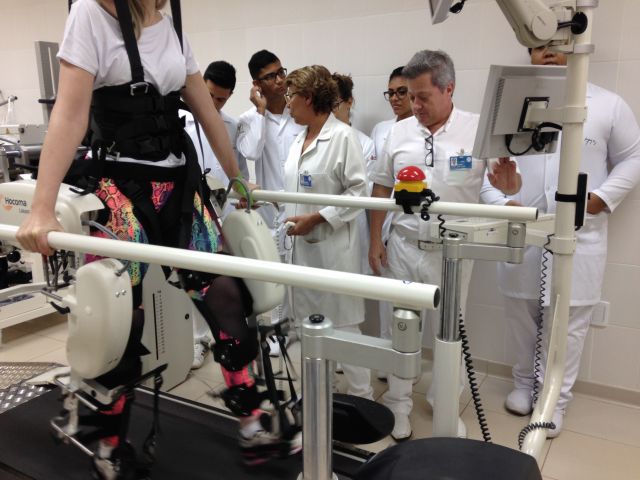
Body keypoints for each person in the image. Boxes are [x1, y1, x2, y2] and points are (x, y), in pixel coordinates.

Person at [15, 0, 294, 469]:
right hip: (120, 191)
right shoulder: (90, 14)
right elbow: (69, 114)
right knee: (121, 320)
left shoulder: (172, 27)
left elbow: (206, 112)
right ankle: (109, 446)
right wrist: (41, 208)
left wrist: (237, 177)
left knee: (227, 297)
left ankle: (252, 425)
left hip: (180, 188)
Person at [480, 45, 640, 437]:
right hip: (523, 228)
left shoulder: (608, 104)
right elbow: (490, 168)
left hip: (580, 232)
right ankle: (523, 384)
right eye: (539, 45)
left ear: (575, 46)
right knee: (520, 312)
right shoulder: (512, 105)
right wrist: (505, 202)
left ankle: (556, 399)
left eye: (557, 43)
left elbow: (634, 157)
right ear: (529, 50)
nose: (548, 52)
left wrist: (602, 199)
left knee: (568, 322)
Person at [369, 49, 521, 441]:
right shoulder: (398, 132)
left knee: (449, 334)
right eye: (410, 96)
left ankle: (444, 404)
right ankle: (398, 404)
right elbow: (381, 187)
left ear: (448, 88)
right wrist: (374, 240)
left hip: (453, 252)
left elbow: (505, 184)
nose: (415, 105)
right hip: (403, 246)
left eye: (422, 97)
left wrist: (509, 183)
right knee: (402, 330)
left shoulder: (477, 129)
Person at [283, 65, 374, 400]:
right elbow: (293, 191)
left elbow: (359, 192)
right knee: (311, 330)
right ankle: (323, 397)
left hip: (333, 252)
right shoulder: (298, 139)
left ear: (308, 97)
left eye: (291, 95)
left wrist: (318, 218)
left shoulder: (343, 137)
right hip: (301, 251)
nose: (288, 103)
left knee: (345, 332)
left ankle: (363, 399)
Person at [182, 60, 249, 370]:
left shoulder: (231, 126)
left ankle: (225, 335)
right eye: (209, 95)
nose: (214, 103)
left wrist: (244, 193)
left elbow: (239, 169)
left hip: (223, 210)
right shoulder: (179, 119)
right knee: (195, 276)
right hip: (191, 210)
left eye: (221, 99)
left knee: (224, 278)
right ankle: (197, 340)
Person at [237, 50, 303, 355]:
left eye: (281, 72)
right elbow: (250, 152)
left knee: (303, 269)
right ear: (257, 84)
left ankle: (300, 326)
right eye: (270, 76)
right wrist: (261, 112)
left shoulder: (299, 112)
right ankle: (278, 330)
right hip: (271, 208)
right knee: (276, 271)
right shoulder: (249, 119)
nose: (279, 80)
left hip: (303, 204)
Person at [370, 66, 414, 379]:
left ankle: (410, 364)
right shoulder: (382, 129)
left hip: (410, 227)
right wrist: (376, 237)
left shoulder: (424, 131)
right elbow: (379, 182)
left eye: (402, 92)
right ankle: (390, 362)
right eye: (391, 93)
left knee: (416, 309)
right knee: (390, 302)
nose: (395, 98)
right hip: (384, 225)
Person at [331, 72, 375, 275]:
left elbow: (364, 192)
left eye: (334, 104)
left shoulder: (364, 143)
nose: (329, 111)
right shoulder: (312, 140)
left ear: (349, 102)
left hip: (353, 225)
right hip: (320, 227)